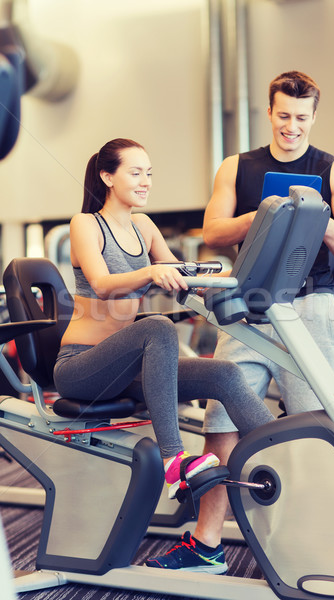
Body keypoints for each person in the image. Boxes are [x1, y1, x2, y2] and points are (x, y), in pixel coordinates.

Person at [146, 71, 334, 572]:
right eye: (284, 116)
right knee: (221, 422)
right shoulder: (237, 167)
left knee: (316, 426)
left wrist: (311, 215)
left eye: (302, 118)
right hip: (248, 304)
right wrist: (263, 215)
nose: (292, 126)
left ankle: (327, 542)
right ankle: (207, 545)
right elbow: (212, 231)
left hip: (308, 306)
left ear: (314, 117)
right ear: (269, 112)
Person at [53, 137, 275, 507]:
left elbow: (181, 275)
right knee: (157, 326)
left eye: (149, 173)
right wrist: (152, 272)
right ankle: (175, 462)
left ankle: (291, 450)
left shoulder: (144, 226)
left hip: (129, 372)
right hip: (82, 367)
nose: (146, 181)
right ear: (107, 177)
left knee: (224, 373)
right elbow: (103, 285)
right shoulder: (86, 224)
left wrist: (242, 278)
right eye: (135, 172)